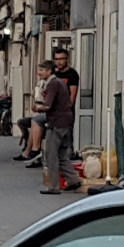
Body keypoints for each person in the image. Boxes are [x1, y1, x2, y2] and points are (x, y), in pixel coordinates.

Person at [37, 60, 80, 194]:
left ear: (50, 71)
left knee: (51, 154)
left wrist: (37, 107)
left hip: (56, 122)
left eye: (42, 70)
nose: (39, 73)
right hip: (66, 121)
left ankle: (54, 186)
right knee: (61, 153)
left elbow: (47, 105)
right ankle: (73, 180)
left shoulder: (53, 84)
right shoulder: (60, 82)